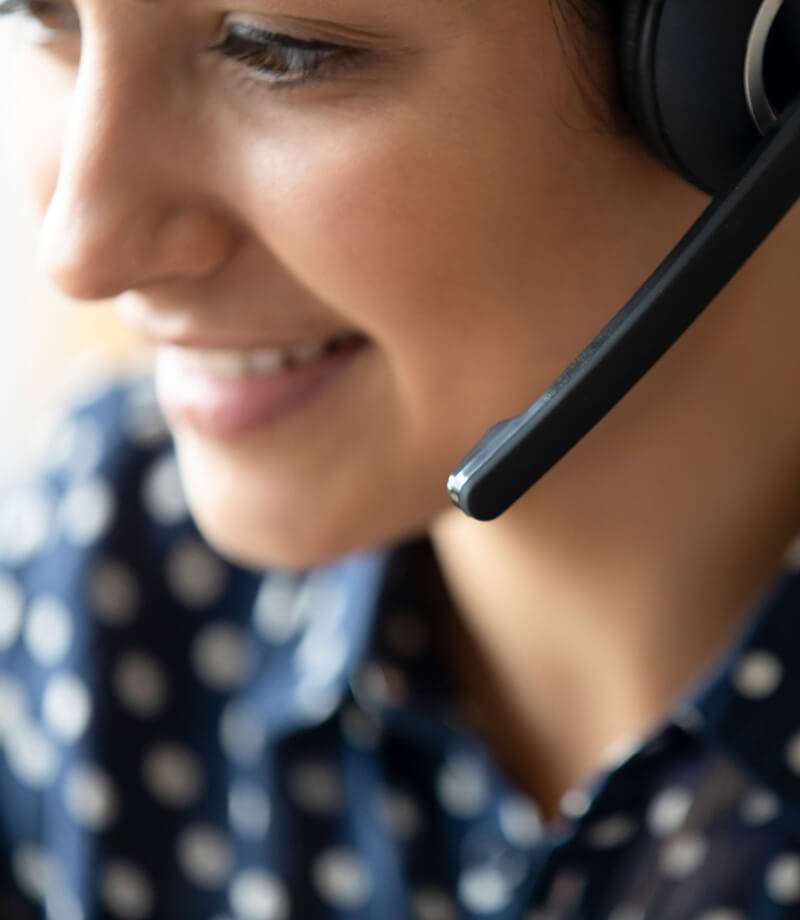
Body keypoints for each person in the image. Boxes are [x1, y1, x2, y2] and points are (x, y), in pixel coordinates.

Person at [1, 0, 800, 917]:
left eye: (280, 50)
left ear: (753, 63)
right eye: (41, 14)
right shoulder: (108, 558)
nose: (80, 251)